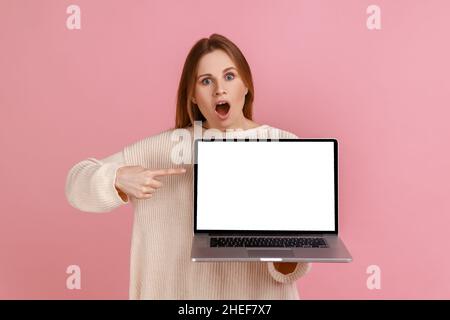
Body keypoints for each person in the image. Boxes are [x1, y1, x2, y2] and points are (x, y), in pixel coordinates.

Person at [65, 33, 311, 299]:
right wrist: (117, 178)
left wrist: (288, 245)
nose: (219, 89)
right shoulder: (164, 150)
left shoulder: (284, 145)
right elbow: (75, 185)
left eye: (229, 76)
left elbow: (287, 271)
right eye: (206, 81)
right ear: (193, 95)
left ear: (246, 85)